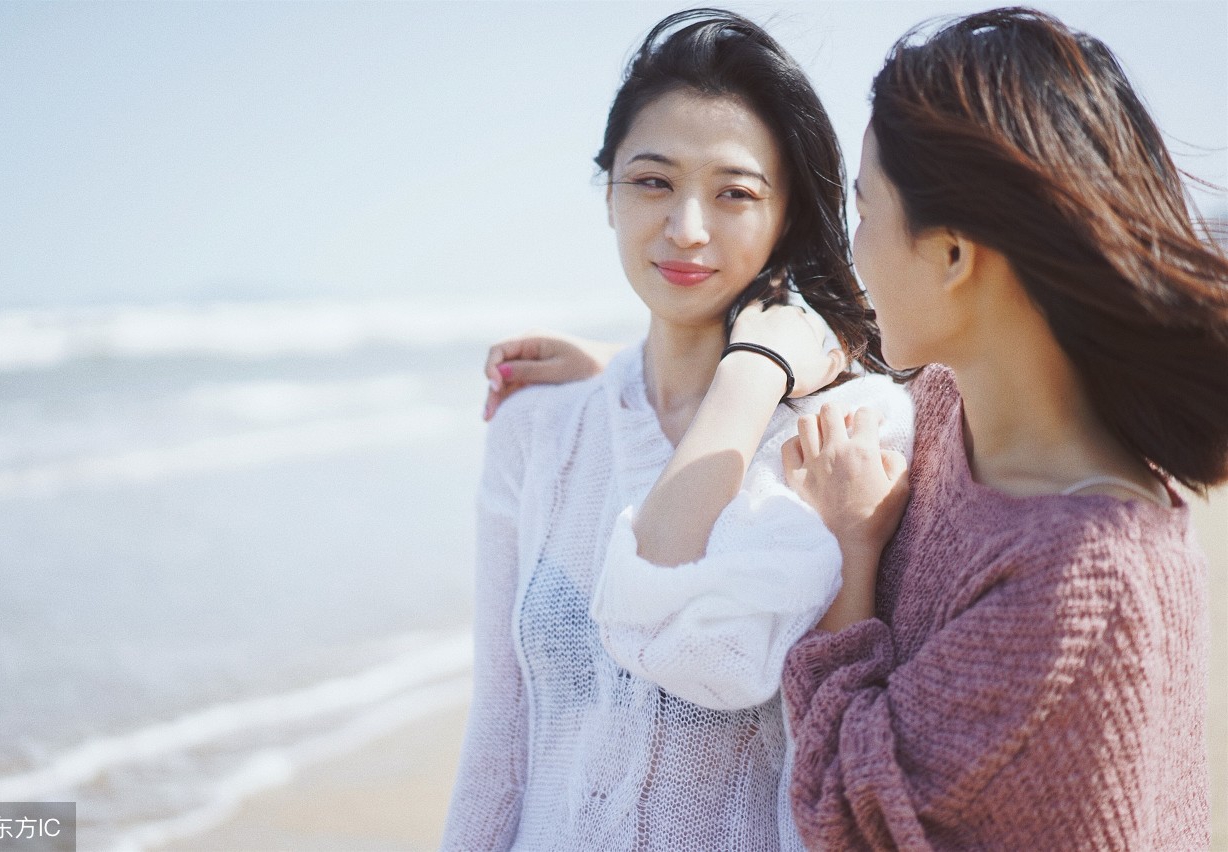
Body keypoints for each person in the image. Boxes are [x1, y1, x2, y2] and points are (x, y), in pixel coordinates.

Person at [484, 7, 1228, 849]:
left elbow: (849, 812)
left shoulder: (1082, 582)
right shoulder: (962, 414)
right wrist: (634, 372)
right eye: (652, 182)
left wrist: (856, 547)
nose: (852, 250)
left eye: (867, 212)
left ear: (952, 257)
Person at [442, 9, 913, 851]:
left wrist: (748, 373)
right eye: (653, 181)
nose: (686, 227)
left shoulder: (838, 435)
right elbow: (499, 737)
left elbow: (715, 657)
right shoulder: (536, 430)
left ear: (786, 216)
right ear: (609, 190)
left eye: (734, 193)